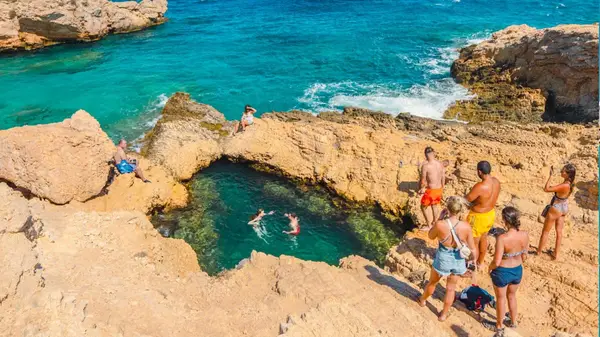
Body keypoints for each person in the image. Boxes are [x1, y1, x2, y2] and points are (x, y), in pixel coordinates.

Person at [418, 196, 476, 322]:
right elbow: (472, 248)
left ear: (447, 209)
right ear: (460, 210)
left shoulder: (440, 224)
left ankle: (422, 301)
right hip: (458, 260)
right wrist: (472, 261)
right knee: (451, 288)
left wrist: (439, 219)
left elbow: (430, 236)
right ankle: (443, 315)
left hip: (443, 259)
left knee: (433, 282)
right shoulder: (466, 227)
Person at [489, 206, 529, 337]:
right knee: (511, 296)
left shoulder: (502, 238)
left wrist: (490, 267)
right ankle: (513, 322)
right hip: (517, 270)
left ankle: (499, 326)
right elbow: (525, 256)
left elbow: (497, 260)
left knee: (501, 299)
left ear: (505, 220)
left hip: (503, 271)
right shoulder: (524, 234)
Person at [536, 163, 576, 260]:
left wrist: (550, 176)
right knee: (559, 232)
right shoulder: (570, 184)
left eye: (563, 171)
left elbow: (546, 189)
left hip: (556, 207)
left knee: (545, 232)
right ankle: (556, 254)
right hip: (564, 207)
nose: (561, 172)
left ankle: (539, 252)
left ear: (568, 174)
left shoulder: (564, 185)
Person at [465, 161, 500, 269]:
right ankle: (480, 262)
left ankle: (473, 265)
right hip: (490, 214)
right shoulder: (496, 182)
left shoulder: (480, 186)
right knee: (484, 238)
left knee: (473, 242)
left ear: (479, 172)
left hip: (478, 217)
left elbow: (467, 199)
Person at [418, 147, 445, 230]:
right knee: (434, 206)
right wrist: (442, 187)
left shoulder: (426, 166)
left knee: (423, 206)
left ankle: (429, 226)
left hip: (431, 190)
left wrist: (421, 189)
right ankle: (435, 223)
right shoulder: (440, 163)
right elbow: (443, 176)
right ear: (434, 153)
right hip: (439, 189)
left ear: (425, 155)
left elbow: (423, 180)